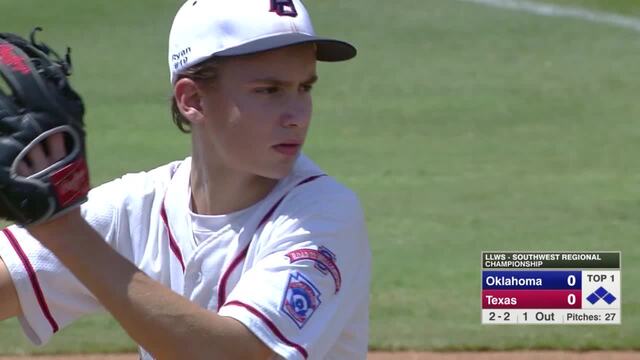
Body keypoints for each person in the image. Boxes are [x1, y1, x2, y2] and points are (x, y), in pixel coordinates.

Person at [0, 0, 371, 359]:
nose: (297, 116)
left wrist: (63, 229)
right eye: (269, 90)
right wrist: (62, 228)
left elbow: (232, 356)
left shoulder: (322, 215)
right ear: (192, 98)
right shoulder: (139, 205)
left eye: (304, 88)